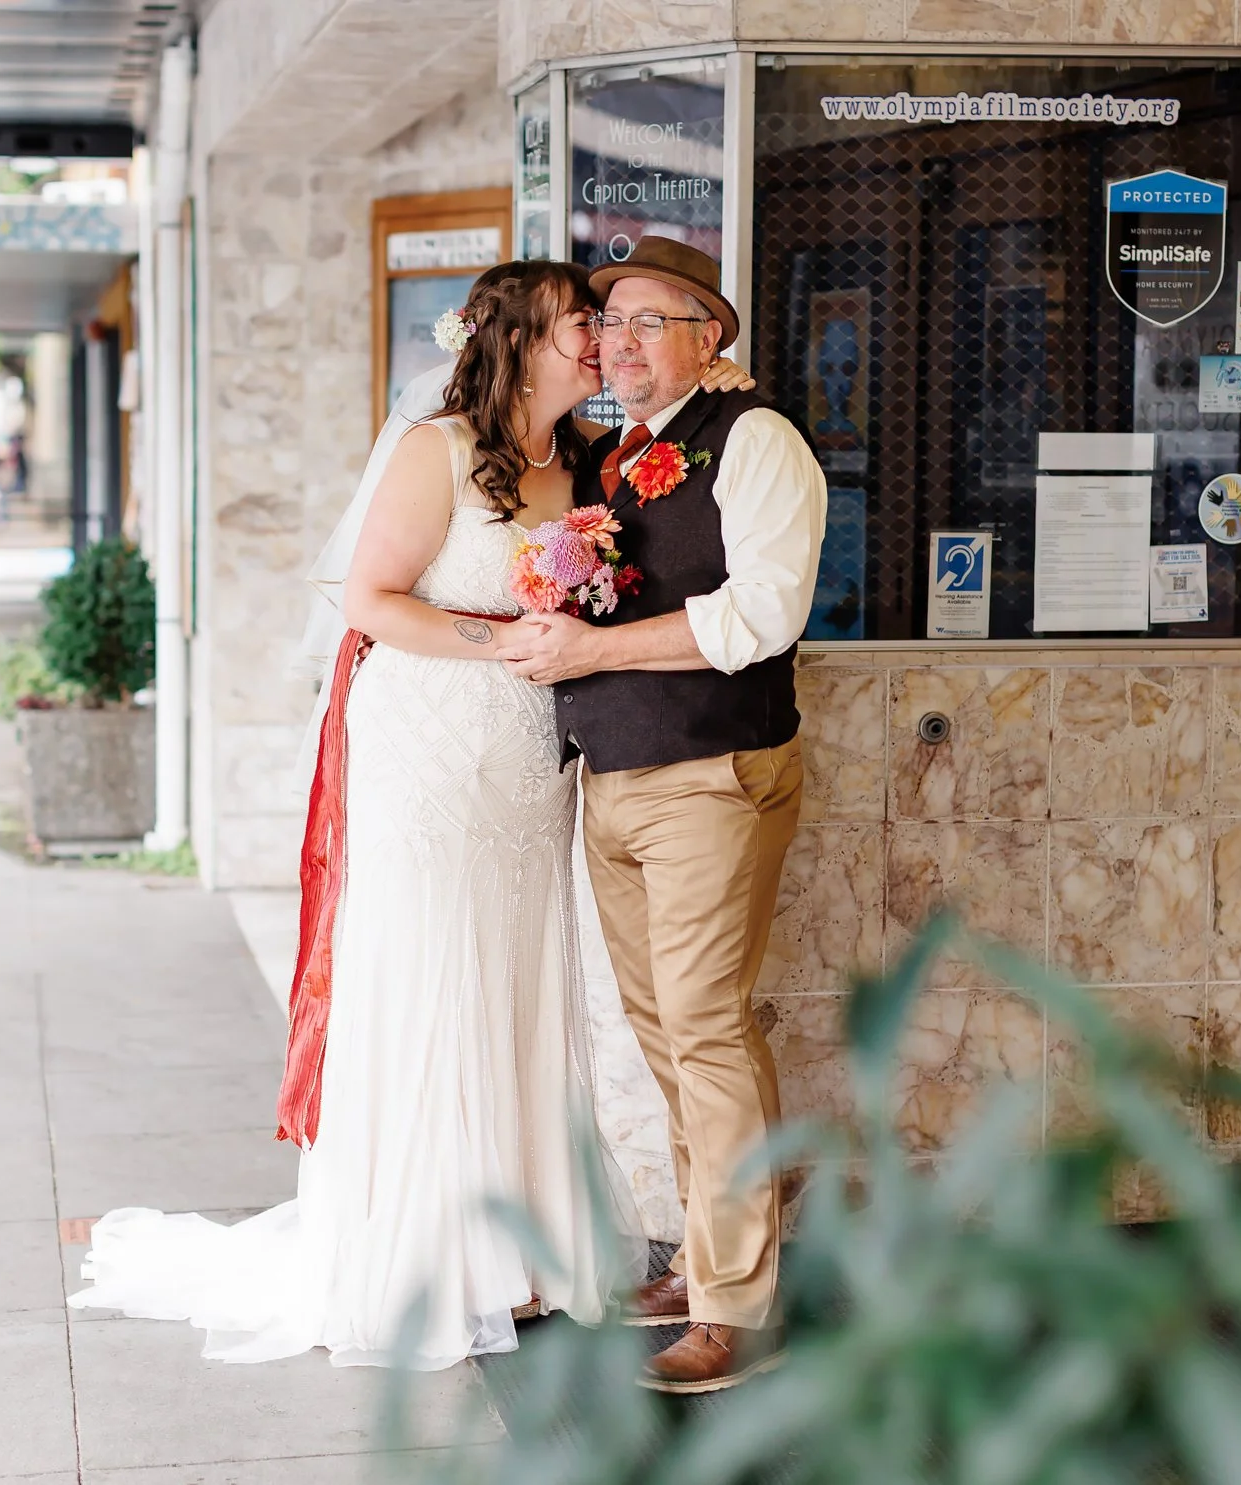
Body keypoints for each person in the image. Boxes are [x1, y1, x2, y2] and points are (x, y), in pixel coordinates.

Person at [68, 259, 757, 1370]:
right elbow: (370, 600)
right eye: (578, 324)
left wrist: (713, 372)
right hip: (427, 738)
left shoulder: (589, 457)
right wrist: (503, 640)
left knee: (514, 975)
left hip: (529, 752)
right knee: (432, 968)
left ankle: (525, 1253)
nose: (597, 341)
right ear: (516, 342)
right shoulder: (436, 448)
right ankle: (427, 1258)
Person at [496, 236, 828, 1394]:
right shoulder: (607, 452)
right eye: (609, 321)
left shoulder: (756, 438)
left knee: (704, 1030)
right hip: (617, 775)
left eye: (650, 320)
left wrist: (593, 650)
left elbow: (762, 617)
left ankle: (736, 1306)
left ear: (709, 338)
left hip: (712, 772)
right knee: (667, 1033)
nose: (620, 341)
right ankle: (705, 1259)